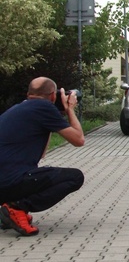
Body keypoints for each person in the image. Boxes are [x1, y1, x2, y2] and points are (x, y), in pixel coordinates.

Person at [0, 77, 85, 236]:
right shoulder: (44, 108)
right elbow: (79, 140)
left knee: (36, 173)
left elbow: (42, 154)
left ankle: (9, 211)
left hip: (5, 182)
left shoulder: (18, 109)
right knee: (75, 177)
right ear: (53, 96)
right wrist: (70, 109)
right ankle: (17, 207)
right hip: (8, 182)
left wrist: (51, 123)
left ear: (28, 94)